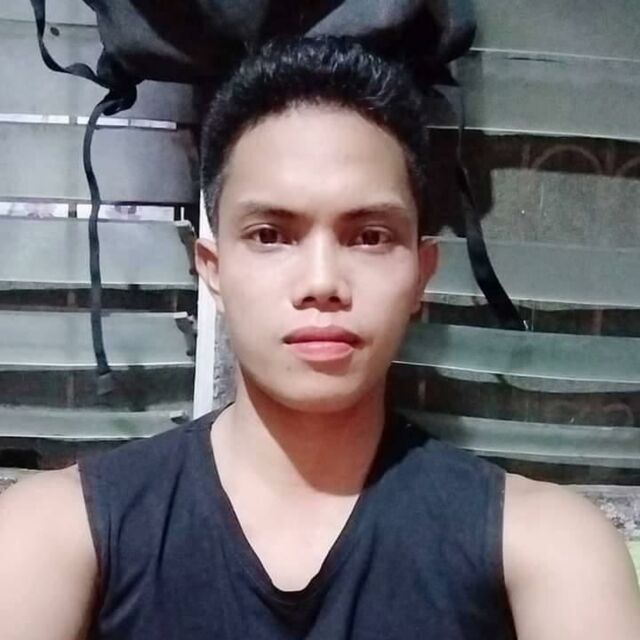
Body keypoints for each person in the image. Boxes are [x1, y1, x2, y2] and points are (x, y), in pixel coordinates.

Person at [0, 37, 639, 640]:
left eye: (370, 237)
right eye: (271, 235)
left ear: (421, 275)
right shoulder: (56, 536)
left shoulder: (547, 550)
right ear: (212, 270)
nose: (322, 282)